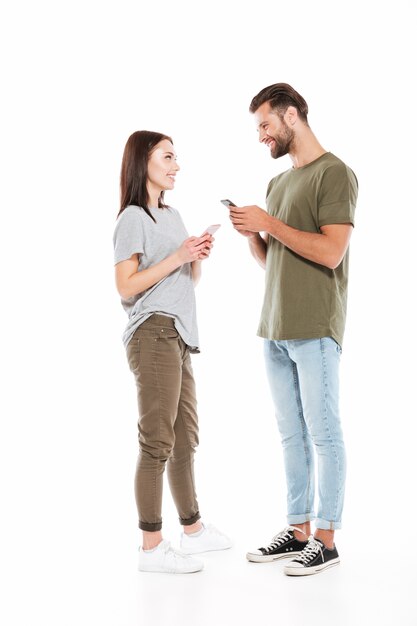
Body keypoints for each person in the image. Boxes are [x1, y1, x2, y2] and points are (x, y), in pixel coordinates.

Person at [229, 84, 358, 576]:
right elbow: (272, 262)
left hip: (316, 325)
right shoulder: (278, 185)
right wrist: (254, 234)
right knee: (291, 435)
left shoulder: (335, 173)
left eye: (265, 124)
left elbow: (331, 252)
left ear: (290, 116)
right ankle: (298, 529)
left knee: (324, 433)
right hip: (275, 326)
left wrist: (271, 223)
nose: (262, 135)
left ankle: (326, 539)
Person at [113, 130, 231, 574]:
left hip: (179, 334)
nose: (176, 165)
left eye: (176, 157)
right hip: (153, 334)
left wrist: (194, 256)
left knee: (186, 439)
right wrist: (177, 255)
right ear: (144, 162)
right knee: (158, 441)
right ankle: (150, 547)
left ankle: (194, 530)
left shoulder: (174, 214)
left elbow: (185, 283)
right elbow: (126, 286)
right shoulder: (131, 218)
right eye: (168, 156)